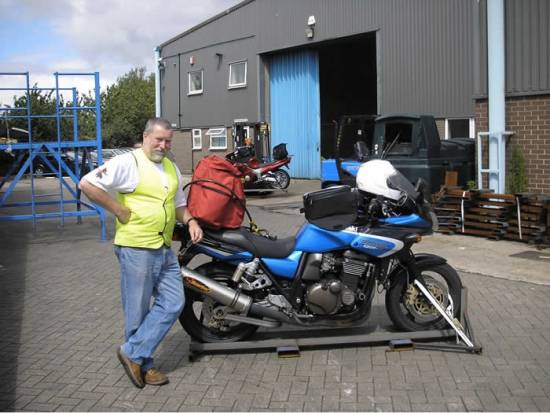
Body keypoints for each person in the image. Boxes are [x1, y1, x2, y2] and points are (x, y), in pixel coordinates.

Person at [79, 118, 202, 388]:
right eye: (158, 139)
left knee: (173, 302)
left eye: (168, 140)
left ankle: (132, 352)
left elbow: (179, 203)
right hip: (136, 247)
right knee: (137, 310)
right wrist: (119, 210)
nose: (163, 145)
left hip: (162, 247)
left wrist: (191, 220)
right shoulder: (128, 162)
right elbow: (87, 184)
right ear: (146, 136)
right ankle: (145, 365)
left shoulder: (171, 167)